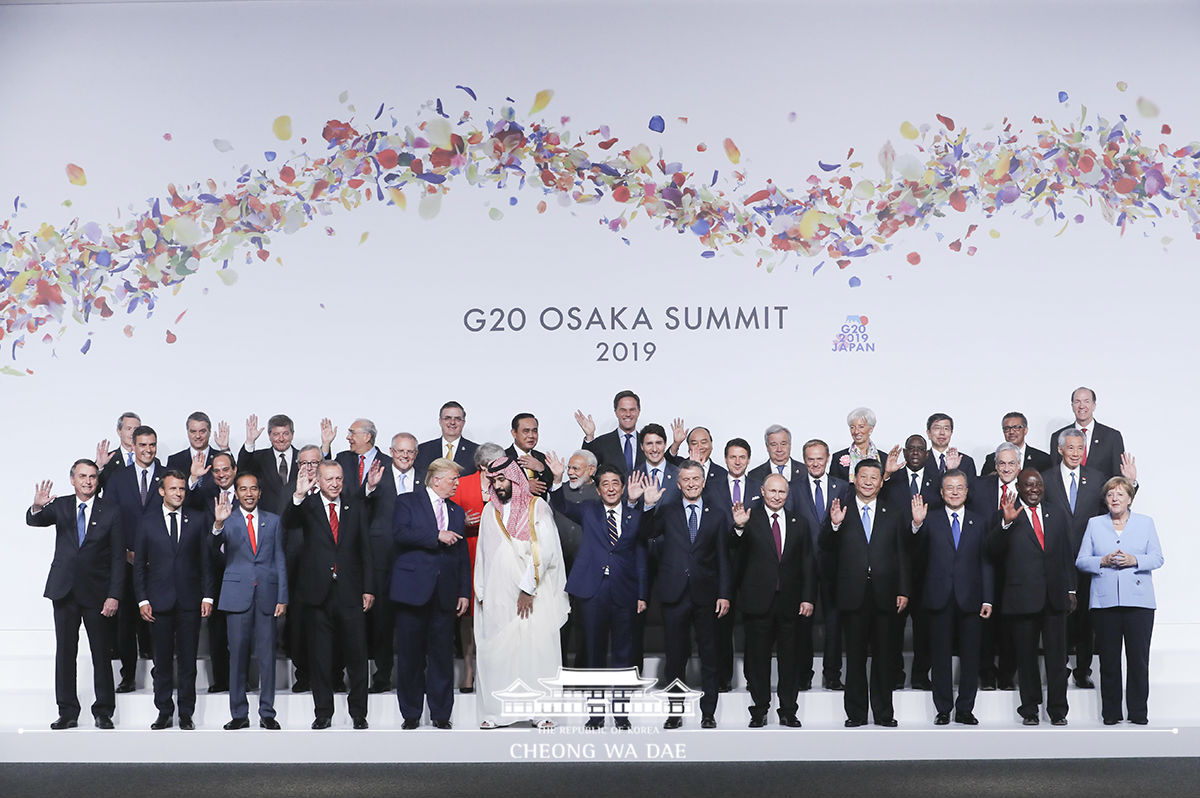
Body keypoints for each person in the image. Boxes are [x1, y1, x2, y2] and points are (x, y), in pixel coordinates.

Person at [547, 455, 657, 730]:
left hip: (625, 592)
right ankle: (595, 715)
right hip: (592, 592)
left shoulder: (634, 515)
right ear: (598, 489)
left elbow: (642, 553)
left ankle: (621, 714)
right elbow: (560, 505)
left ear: (622, 488)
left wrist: (642, 594)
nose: (610, 488)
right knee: (594, 654)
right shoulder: (588, 510)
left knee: (623, 655)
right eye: (605, 484)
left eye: (615, 484)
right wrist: (558, 479)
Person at [27, 460, 122, 730]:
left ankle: (103, 711)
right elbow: (35, 520)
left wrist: (114, 594)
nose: (88, 481)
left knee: (100, 654)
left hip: (98, 593)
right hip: (64, 590)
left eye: (92, 476)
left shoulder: (111, 511)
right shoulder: (61, 505)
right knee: (65, 653)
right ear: (72, 479)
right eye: (82, 476)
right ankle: (67, 711)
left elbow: (117, 557)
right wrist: (37, 506)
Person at [475, 457, 569, 729]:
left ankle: (541, 712)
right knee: (500, 652)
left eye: (502, 480)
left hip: (532, 596)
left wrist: (528, 588)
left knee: (536, 650)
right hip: (498, 595)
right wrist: (481, 589)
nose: (498, 486)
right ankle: (498, 713)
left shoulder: (536, 507)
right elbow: (483, 553)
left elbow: (546, 550)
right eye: (493, 481)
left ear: (515, 479)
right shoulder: (488, 512)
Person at [283, 460, 377, 729]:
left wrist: (368, 587)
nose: (335, 484)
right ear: (319, 481)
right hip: (317, 594)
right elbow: (288, 522)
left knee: (357, 657)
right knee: (320, 658)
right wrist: (299, 494)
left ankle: (359, 713)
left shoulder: (355, 506)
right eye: (329, 479)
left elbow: (365, 551)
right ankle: (323, 712)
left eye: (338, 478)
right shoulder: (307, 506)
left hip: (350, 592)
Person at [820, 459, 910, 727]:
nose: (869, 481)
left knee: (884, 657)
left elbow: (902, 554)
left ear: (881, 482)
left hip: (885, 593)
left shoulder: (893, 512)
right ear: (854, 479)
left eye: (874, 477)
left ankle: (884, 713)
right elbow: (825, 546)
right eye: (864, 476)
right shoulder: (841, 510)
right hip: (852, 593)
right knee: (856, 658)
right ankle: (856, 714)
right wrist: (834, 526)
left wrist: (904, 589)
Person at [643, 460, 731, 729]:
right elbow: (646, 533)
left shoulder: (717, 514)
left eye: (696, 479)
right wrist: (647, 506)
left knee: (709, 656)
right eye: (686, 480)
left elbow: (723, 558)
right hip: (674, 595)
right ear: (678, 484)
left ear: (703, 482)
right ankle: (674, 712)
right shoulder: (667, 511)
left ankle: (708, 713)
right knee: (675, 658)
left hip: (707, 596)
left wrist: (724, 593)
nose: (691, 484)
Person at [987, 469, 1076, 725]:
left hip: (1054, 598)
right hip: (1022, 599)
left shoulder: (1057, 514)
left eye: (1038, 485)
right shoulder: (1007, 514)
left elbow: (1066, 554)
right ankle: (1030, 710)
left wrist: (1071, 589)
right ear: (1019, 487)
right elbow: (990, 550)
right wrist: (1006, 523)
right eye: (1029, 486)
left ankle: (1058, 711)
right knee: (1025, 659)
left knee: (1057, 660)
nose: (1034, 490)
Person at [1075, 476, 1164, 725]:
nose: (1115, 498)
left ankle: (1138, 713)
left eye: (1120, 494)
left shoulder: (1146, 523)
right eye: (1110, 494)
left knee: (1138, 660)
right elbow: (1082, 560)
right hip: (1105, 603)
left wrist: (1135, 560)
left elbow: (1157, 558)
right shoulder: (1094, 524)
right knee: (1109, 661)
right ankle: (1111, 714)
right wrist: (1101, 561)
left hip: (1139, 603)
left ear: (1130, 499)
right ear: (1105, 499)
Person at [392, 457, 471, 729]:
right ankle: (411, 714)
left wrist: (464, 591)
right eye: (453, 480)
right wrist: (436, 535)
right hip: (412, 592)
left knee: (441, 657)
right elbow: (400, 534)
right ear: (436, 479)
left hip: (445, 593)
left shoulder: (457, 511)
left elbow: (461, 554)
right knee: (410, 656)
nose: (456, 485)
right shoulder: (407, 502)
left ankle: (441, 714)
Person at [731, 474, 815, 727]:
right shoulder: (748, 518)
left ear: (787, 494)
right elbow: (735, 558)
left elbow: (808, 564)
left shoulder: (798, 522)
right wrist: (738, 529)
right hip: (758, 602)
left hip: (790, 602)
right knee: (758, 659)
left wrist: (808, 598)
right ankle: (759, 709)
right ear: (762, 491)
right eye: (772, 491)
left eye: (782, 492)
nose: (777, 496)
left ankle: (788, 709)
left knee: (790, 660)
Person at [132, 470, 214, 730]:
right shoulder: (147, 522)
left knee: (188, 662)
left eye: (181, 488)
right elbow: (139, 568)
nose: (178, 493)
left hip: (190, 602)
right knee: (162, 662)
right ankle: (164, 711)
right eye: (173, 489)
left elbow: (206, 562)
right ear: (161, 491)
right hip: (159, 603)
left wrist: (208, 595)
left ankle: (186, 713)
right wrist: (142, 600)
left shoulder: (198, 519)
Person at [912, 470, 993, 725]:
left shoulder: (980, 521)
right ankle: (944, 708)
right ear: (941, 492)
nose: (955, 492)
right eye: (950, 488)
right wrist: (916, 525)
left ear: (967, 491)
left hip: (971, 598)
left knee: (971, 657)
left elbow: (986, 562)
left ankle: (966, 708)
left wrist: (988, 598)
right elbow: (915, 554)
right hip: (938, 597)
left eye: (960, 487)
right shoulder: (930, 519)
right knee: (940, 657)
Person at [212, 473, 288, 730]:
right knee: (238, 657)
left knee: (267, 657)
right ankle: (239, 714)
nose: (248, 494)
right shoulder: (227, 520)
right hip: (236, 597)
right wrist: (218, 525)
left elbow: (280, 560)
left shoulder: (273, 521)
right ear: (236, 492)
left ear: (259, 492)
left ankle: (267, 712)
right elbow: (212, 549)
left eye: (253, 489)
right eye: (243, 489)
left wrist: (283, 596)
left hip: (267, 596)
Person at [1041, 428, 1107, 689]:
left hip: (1088, 558)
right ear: (1060, 450)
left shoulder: (1097, 477)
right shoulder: (1045, 479)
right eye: (1070, 448)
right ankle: (1060, 668)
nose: (1076, 453)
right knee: (1058, 616)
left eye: (1080, 448)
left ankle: (1083, 670)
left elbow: (1111, 508)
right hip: (1055, 559)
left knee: (1085, 619)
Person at [335, 419, 397, 694]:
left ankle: (383, 676)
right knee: (350, 616)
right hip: (348, 547)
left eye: (352, 433)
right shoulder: (342, 461)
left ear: (368, 437)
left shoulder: (390, 462)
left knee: (382, 616)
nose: (348, 437)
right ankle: (349, 675)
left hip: (382, 551)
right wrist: (366, 489)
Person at [103, 424, 166, 693]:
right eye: (143, 445)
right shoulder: (118, 478)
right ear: (133, 446)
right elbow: (112, 519)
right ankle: (128, 675)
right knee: (126, 620)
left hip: (160, 561)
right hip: (127, 559)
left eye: (152, 445)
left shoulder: (167, 476)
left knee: (159, 619)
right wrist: (124, 551)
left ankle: (160, 675)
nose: (148, 450)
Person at [880, 434, 942, 690]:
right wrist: (884, 476)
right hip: (895, 563)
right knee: (894, 623)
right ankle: (894, 673)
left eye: (920, 449)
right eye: (911, 449)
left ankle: (920, 674)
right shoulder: (891, 479)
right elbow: (868, 497)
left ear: (927, 454)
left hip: (928, 563)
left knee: (924, 625)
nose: (915, 452)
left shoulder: (939, 480)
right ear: (904, 453)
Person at [450, 442, 508, 694]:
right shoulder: (462, 485)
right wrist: (461, 521)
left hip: (500, 553)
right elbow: (447, 516)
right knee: (468, 613)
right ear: (482, 466)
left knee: (497, 610)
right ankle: (469, 668)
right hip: (469, 552)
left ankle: (494, 668)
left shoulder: (508, 484)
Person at [793, 439, 849, 691]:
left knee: (834, 623)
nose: (815, 463)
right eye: (810, 459)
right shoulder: (793, 488)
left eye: (819, 458)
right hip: (803, 565)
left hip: (835, 566)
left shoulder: (843, 487)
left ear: (827, 459)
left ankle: (832, 674)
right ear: (805, 461)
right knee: (802, 622)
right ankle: (803, 673)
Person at [969, 442, 1022, 691]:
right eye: (1001, 463)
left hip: (1015, 568)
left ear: (1019, 466)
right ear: (995, 465)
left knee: (1011, 625)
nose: (1006, 468)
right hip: (983, 564)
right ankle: (986, 674)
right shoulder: (979, 486)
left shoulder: (1028, 488)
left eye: (1011, 463)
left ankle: (1007, 674)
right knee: (985, 625)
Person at [550, 450, 599, 667]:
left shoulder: (600, 494)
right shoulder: (560, 493)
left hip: (589, 570)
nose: (570, 472)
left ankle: (583, 674)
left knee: (587, 624)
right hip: (559, 568)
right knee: (559, 622)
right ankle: (558, 670)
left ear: (591, 470)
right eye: (569, 468)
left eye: (575, 468)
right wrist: (557, 480)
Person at [1049, 387, 1127, 481]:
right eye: (1077, 401)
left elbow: (1118, 478)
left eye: (1086, 401)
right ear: (1072, 406)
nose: (1081, 406)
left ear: (1094, 405)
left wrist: (1131, 481)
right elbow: (1054, 475)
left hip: (1101, 494)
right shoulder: (1058, 437)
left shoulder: (1112, 436)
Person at [237, 413, 301, 514]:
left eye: (285, 433)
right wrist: (250, 441)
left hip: (298, 519)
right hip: (267, 520)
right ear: (269, 435)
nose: (281, 439)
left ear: (292, 434)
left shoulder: (304, 458)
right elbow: (241, 471)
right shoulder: (258, 458)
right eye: (276, 434)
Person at [576, 390, 644, 475]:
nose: (628, 414)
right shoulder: (602, 442)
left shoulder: (648, 443)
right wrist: (589, 436)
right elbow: (586, 467)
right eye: (623, 410)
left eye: (632, 410)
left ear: (638, 411)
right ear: (616, 412)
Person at [415, 401, 479, 477]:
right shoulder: (422, 450)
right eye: (447, 418)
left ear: (463, 422)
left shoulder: (477, 452)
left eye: (457, 419)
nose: (452, 422)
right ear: (440, 421)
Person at [981, 412, 1052, 475]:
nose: (1011, 432)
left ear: (1025, 430)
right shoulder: (992, 459)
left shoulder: (1043, 459)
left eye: (1016, 427)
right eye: (1007, 428)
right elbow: (983, 484)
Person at [165, 411, 230, 473]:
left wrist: (224, 448)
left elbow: (233, 476)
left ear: (209, 432)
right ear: (187, 432)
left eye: (202, 431)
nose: (198, 436)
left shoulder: (220, 457)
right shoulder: (175, 460)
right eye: (193, 432)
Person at [830, 407, 883, 482]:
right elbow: (834, 488)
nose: (856, 431)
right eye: (852, 427)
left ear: (871, 429)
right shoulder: (837, 457)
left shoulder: (884, 458)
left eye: (861, 427)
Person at [506, 413, 553, 495]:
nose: (531, 436)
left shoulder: (542, 457)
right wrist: (524, 486)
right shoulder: (503, 457)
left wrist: (542, 469)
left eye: (534, 431)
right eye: (526, 431)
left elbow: (551, 487)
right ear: (514, 433)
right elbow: (497, 486)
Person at [95, 411, 140, 491]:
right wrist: (99, 467)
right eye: (128, 429)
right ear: (119, 431)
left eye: (136, 429)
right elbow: (93, 490)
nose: (133, 433)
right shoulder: (108, 459)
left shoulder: (149, 459)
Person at [925, 413, 977, 482]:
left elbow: (972, 489)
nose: (942, 433)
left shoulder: (966, 461)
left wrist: (952, 471)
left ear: (951, 433)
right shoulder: (921, 460)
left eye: (946, 428)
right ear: (928, 433)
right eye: (937, 428)